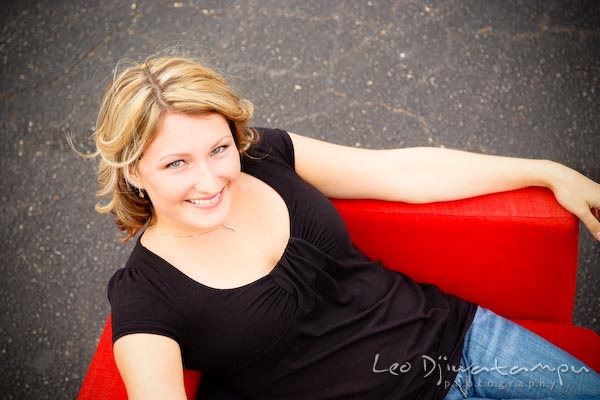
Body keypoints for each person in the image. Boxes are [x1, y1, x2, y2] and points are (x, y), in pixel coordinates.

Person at [88, 55, 600, 399]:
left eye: (219, 148)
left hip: (465, 337)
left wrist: (549, 173)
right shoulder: (146, 297)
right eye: (176, 163)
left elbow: (402, 173)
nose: (211, 179)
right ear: (133, 170)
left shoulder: (264, 155)